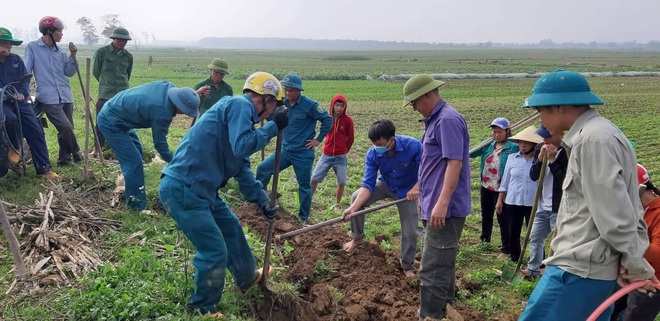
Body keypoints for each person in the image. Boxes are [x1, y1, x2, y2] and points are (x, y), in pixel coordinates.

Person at [519, 70, 657, 321]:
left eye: (541, 110)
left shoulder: (591, 140)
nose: (540, 119)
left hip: (578, 271)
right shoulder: (604, 133)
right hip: (592, 269)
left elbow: (614, 214)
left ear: (559, 107)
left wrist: (637, 265)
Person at [159, 72, 288, 318]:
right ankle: (202, 310)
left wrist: (264, 202)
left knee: (231, 228)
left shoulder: (241, 125)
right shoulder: (239, 104)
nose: (272, 113)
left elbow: (244, 171)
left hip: (203, 190)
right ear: (265, 99)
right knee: (214, 249)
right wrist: (273, 127)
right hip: (183, 188)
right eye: (273, 107)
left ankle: (247, 278)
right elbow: (243, 146)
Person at [403, 74, 471, 320]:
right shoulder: (435, 120)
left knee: (432, 265)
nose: (414, 109)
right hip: (434, 203)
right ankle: (445, 304)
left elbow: (454, 164)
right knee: (443, 257)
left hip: (445, 208)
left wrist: (442, 203)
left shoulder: (447, 121)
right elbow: (434, 164)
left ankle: (430, 315)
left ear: (427, 96)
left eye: (415, 103)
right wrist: (422, 188)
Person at [97, 81, 199, 211]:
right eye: (184, 110)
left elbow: (184, 96)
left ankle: (129, 184)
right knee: (134, 162)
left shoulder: (168, 87)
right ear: (178, 104)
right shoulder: (162, 112)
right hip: (111, 121)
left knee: (137, 151)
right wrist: (175, 163)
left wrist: (192, 97)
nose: (183, 113)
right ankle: (136, 206)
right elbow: (160, 144)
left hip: (119, 111)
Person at [341, 119, 420, 278]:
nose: (377, 148)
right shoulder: (373, 153)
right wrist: (353, 208)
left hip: (408, 191)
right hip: (387, 184)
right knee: (356, 197)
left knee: (411, 231)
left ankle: (407, 264)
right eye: (374, 145)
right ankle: (357, 238)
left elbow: (428, 171)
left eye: (381, 144)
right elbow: (367, 185)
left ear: (392, 139)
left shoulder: (413, 146)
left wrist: (417, 188)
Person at [256, 73, 332, 224]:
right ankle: (259, 201)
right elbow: (270, 116)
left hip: (303, 153)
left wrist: (317, 140)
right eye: (286, 90)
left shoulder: (309, 105)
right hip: (285, 150)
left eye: (291, 90)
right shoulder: (281, 103)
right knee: (263, 168)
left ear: (299, 91)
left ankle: (303, 218)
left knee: (304, 186)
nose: (288, 93)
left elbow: (327, 120)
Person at [0, 27, 58, 179]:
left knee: (35, 129)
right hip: (2, 102)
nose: (9, 46)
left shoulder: (16, 60)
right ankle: (14, 146)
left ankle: (44, 170)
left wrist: (23, 93)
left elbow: (25, 80)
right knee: (10, 119)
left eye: (9, 44)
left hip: (18, 100)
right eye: (5, 43)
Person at [24, 16, 83, 167]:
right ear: (49, 31)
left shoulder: (61, 52)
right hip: (47, 97)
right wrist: (24, 91)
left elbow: (69, 72)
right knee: (65, 127)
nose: (61, 34)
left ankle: (64, 160)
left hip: (65, 95)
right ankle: (76, 152)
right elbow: (27, 70)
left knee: (66, 129)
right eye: (59, 31)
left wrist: (73, 56)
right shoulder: (33, 48)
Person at [470, 117, 519, 258]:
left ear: (507, 131)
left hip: (501, 188)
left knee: (503, 218)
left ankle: (506, 249)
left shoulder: (513, 147)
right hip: (486, 185)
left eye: (499, 132)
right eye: (494, 132)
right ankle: (485, 240)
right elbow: (473, 153)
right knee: (486, 215)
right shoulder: (489, 144)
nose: (496, 135)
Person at [525, 124, 567, 278]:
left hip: (558, 206)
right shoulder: (539, 148)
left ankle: (554, 273)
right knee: (535, 237)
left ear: (559, 135)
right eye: (543, 137)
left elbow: (565, 182)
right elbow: (533, 176)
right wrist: (540, 160)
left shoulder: (567, 152)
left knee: (558, 242)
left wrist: (552, 160)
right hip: (542, 205)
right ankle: (533, 270)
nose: (544, 140)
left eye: (547, 137)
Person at [496, 126, 543, 263]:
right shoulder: (512, 158)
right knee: (513, 231)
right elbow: (505, 181)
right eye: (520, 142)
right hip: (513, 201)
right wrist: (500, 200)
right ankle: (515, 258)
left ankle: (537, 261)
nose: (522, 145)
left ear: (533, 144)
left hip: (532, 202)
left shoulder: (539, 160)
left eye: (526, 142)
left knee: (535, 233)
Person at [92, 27, 133, 157]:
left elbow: (128, 74)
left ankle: (118, 149)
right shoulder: (102, 52)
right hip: (105, 94)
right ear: (113, 39)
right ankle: (97, 149)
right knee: (101, 122)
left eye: (125, 40)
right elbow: (95, 71)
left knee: (122, 122)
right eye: (119, 39)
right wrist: (106, 83)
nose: (122, 42)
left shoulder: (128, 57)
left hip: (122, 95)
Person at [311, 94, 354, 211]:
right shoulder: (328, 119)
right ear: (332, 105)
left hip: (340, 158)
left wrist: (344, 151)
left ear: (344, 107)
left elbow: (351, 139)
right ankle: (308, 199)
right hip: (326, 155)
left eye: (342, 105)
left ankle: (337, 204)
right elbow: (322, 132)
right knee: (314, 178)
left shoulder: (348, 121)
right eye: (337, 105)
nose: (339, 108)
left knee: (342, 181)